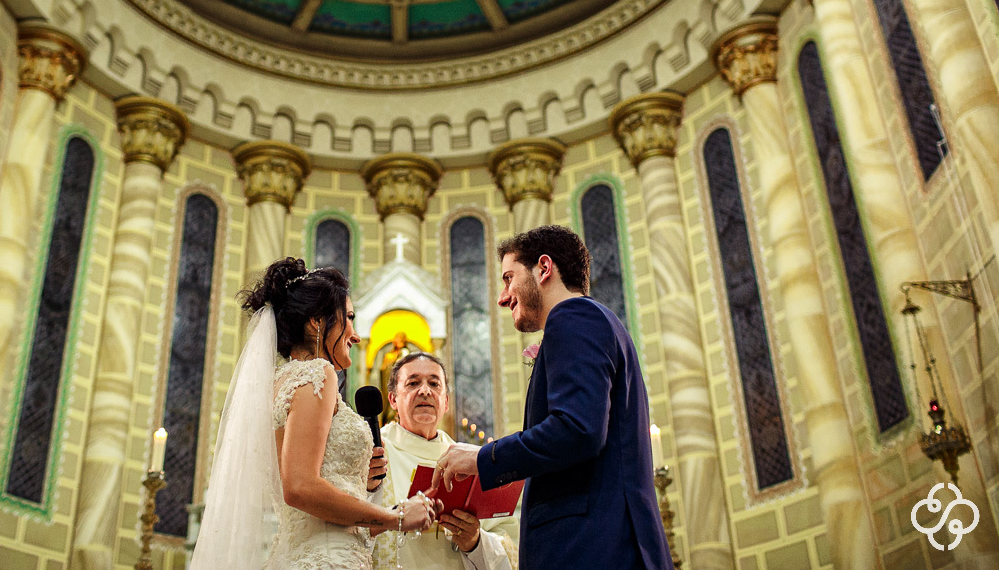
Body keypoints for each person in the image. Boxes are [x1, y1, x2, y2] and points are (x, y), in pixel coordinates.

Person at [433, 225, 673, 570]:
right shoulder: (597, 321)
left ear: (544, 268)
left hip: (590, 546)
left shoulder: (574, 317)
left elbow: (578, 430)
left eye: (508, 278)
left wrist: (484, 458)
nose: (503, 297)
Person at [191, 258, 438, 570]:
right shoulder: (317, 374)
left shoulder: (278, 384)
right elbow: (300, 487)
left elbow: (315, 502)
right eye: (348, 318)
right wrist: (396, 517)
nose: (356, 335)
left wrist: (365, 484)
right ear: (316, 322)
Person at [371, 351, 517, 570]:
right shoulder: (374, 451)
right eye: (413, 383)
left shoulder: (471, 461)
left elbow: (510, 544)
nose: (424, 391)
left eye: (434, 383)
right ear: (393, 399)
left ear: (446, 402)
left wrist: (475, 542)